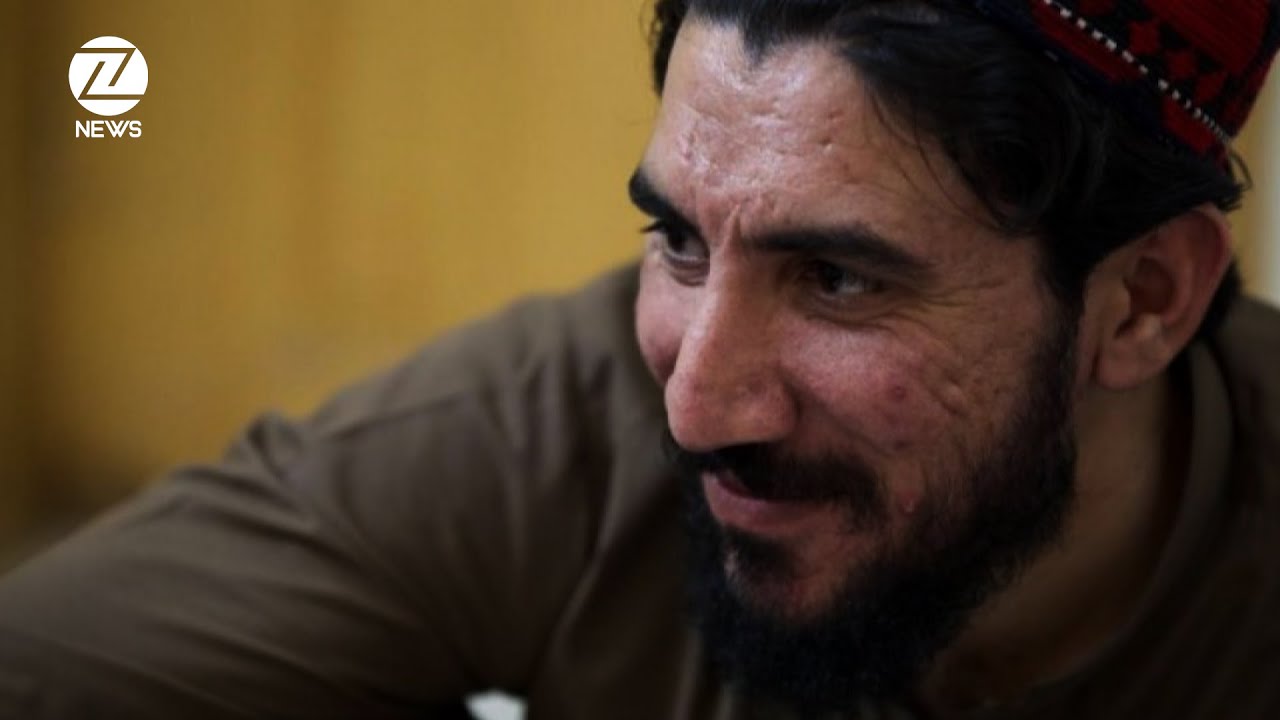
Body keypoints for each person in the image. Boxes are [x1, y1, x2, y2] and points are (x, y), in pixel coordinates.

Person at [2, 0, 1280, 717]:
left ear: (1141, 302)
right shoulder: (556, 424)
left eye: (837, 280)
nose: (694, 404)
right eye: (676, 240)